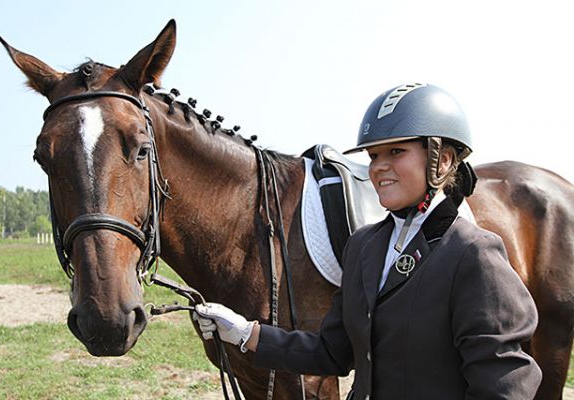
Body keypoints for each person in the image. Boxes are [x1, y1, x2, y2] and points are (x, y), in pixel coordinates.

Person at [194, 83, 542, 399]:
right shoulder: (364, 245)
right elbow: (332, 351)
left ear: (443, 159)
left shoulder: (474, 253)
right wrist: (244, 332)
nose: (378, 167)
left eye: (396, 152)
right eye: (374, 155)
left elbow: (504, 386)